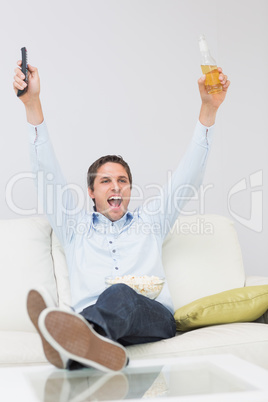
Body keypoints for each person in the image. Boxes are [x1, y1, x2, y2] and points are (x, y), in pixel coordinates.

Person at [13, 59, 230, 372]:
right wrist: (32, 103)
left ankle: (74, 338)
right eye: (105, 181)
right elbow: (46, 175)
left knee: (119, 294)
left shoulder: (151, 222)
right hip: (102, 321)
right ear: (91, 192)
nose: (116, 187)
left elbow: (188, 177)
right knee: (108, 301)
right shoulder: (73, 228)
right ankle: (88, 347)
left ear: (130, 189)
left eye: (122, 181)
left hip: (149, 317)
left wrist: (209, 111)